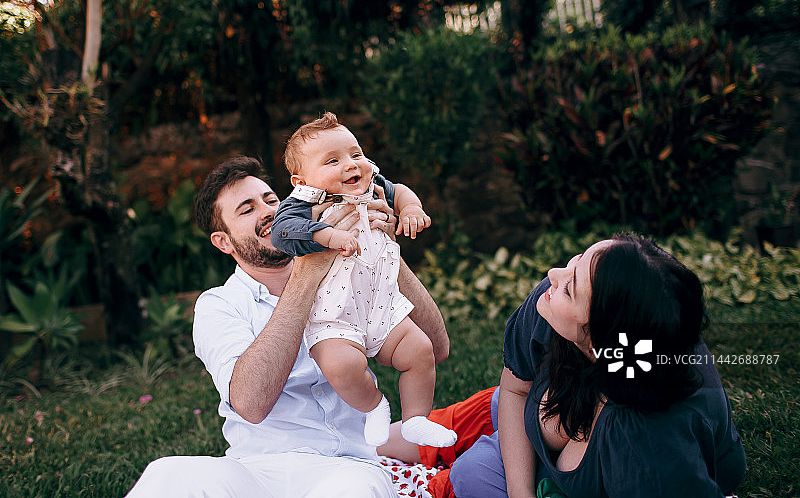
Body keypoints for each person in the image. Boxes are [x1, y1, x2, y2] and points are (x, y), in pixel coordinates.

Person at [124, 155, 450, 498]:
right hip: (256, 471)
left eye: (270, 200)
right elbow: (250, 404)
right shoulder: (219, 304)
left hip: (349, 468)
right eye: (246, 209)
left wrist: (384, 249)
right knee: (167, 474)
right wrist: (306, 274)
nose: (266, 211)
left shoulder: (346, 268)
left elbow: (436, 347)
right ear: (224, 242)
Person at [379, 233, 746, 498]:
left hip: (616, 457)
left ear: (600, 340)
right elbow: (516, 387)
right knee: (383, 441)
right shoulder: (552, 305)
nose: (554, 275)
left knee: (470, 476)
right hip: (529, 404)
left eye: (571, 287)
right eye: (575, 264)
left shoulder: (644, 446)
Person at [269, 112, 457, 449]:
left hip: (381, 302)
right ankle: (374, 407)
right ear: (301, 181)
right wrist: (326, 235)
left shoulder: (373, 185)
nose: (350, 165)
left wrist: (410, 208)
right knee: (341, 367)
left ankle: (415, 419)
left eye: (355, 154)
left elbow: (400, 191)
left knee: (420, 350)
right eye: (332, 160)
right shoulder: (302, 204)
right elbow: (281, 233)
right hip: (333, 315)